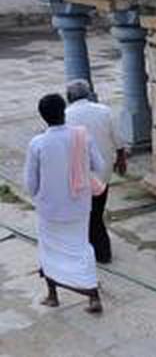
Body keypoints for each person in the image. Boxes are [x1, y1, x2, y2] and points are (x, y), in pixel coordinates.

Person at [23, 92, 105, 314]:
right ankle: (93, 296)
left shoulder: (37, 143)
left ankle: (53, 295)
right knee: (81, 248)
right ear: (63, 111)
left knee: (49, 250)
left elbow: (30, 184)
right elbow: (99, 165)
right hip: (79, 205)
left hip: (49, 209)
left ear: (43, 116)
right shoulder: (82, 137)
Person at [65, 79, 127, 264]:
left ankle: (98, 251)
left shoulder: (65, 115)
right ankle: (100, 250)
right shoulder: (104, 111)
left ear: (69, 98)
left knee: (86, 215)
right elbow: (118, 139)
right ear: (89, 94)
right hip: (103, 171)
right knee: (96, 211)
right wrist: (121, 159)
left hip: (78, 173)